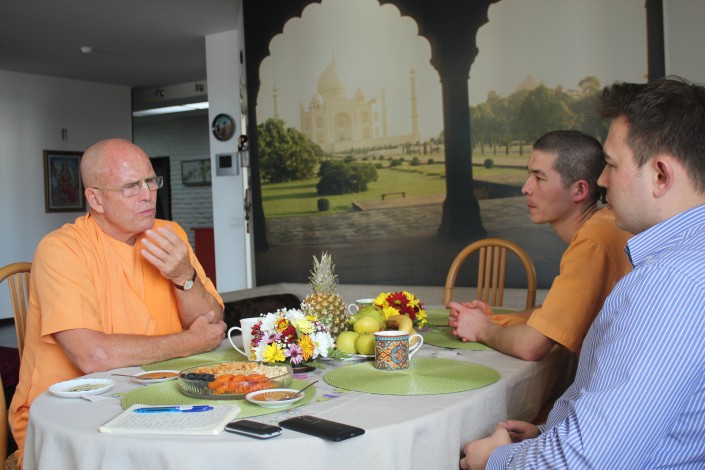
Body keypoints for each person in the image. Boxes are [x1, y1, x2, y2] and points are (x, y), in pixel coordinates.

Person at [459, 76, 705, 469]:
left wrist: (495, 460)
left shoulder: (667, 283)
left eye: (611, 164)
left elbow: (587, 460)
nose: (601, 181)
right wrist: (545, 437)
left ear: (661, 176)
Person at [8, 138, 226, 468]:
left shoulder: (168, 234)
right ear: (95, 199)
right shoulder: (62, 249)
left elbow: (211, 320)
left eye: (151, 181)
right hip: (71, 415)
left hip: (160, 397)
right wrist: (189, 342)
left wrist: (184, 277)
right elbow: (92, 355)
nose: (148, 195)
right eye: (130, 186)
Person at [448, 130, 632, 360]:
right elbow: (554, 312)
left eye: (539, 178)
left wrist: (481, 329)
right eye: (529, 176)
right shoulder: (603, 225)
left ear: (579, 190)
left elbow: (531, 346)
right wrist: (494, 320)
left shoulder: (592, 241)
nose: (526, 188)